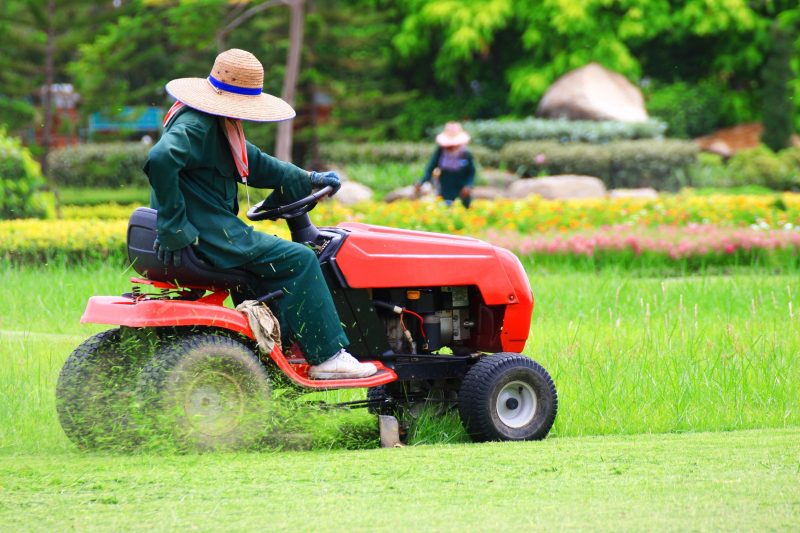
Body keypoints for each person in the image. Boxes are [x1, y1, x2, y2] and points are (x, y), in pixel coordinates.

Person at [144, 48, 376, 380]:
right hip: (210, 234)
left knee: (281, 259)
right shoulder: (198, 125)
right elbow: (161, 159)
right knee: (300, 259)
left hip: (211, 230)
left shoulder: (213, 124)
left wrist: (306, 178)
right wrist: (173, 226)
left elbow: (255, 163)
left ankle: (284, 343)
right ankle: (327, 356)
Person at [414, 121, 476, 208]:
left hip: (461, 185)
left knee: (464, 208)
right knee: (446, 206)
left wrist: (468, 186)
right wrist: (422, 181)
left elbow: (471, 171)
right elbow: (431, 167)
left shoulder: (466, 153)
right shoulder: (440, 151)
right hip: (446, 184)